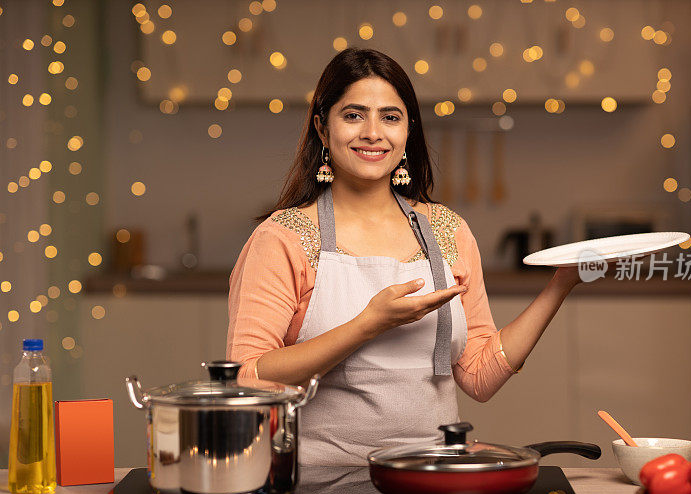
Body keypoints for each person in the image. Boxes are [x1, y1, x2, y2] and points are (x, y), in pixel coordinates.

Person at [227, 48, 581, 466]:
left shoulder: (448, 231)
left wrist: (563, 282)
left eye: (390, 117)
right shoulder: (282, 238)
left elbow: (480, 377)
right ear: (323, 129)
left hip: (429, 478)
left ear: (409, 130)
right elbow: (246, 379)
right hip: (317, 482)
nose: (373, 132)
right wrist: (367, 325)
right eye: (354, 115)